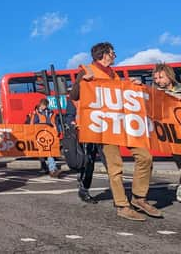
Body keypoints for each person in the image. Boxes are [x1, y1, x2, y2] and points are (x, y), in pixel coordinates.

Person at [70, 42, 161, 221]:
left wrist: (133, 84)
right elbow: (74, 96)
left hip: (124, 125)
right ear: (104, 55)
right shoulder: (87, 70)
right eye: (113, 53)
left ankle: (138, 198)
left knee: (145, 157)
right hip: (104, 127)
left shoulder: (114, 75)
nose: (114, 56)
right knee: (115, 167)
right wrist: (83, 81)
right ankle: (122, 205)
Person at [151, 63, 181, 202]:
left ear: (170, 76)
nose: (158, 81)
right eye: (156, 78)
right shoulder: (153, 94)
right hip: (172, 136)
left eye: (161, 77)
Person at [64, 98, 100, 204]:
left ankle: (119, 197)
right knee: (89, 163)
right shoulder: (74, 99)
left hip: (100, 132)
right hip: (84, 135)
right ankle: (84, 189)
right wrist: (72, 125)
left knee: (110, 164)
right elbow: (70, 116)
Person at [28, 98, 63, 178]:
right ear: (40, 105)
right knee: (42, 154)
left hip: (49, 135)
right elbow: (33, 125)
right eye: (44, 105)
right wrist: (43, 125)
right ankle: (47, 168)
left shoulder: (51, 113)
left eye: (46, 105)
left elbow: (55, 123)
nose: (45, 107)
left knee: (49, 152)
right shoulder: (36, 114)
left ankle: (52, 169)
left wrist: (57, 131)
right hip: (40, 135)